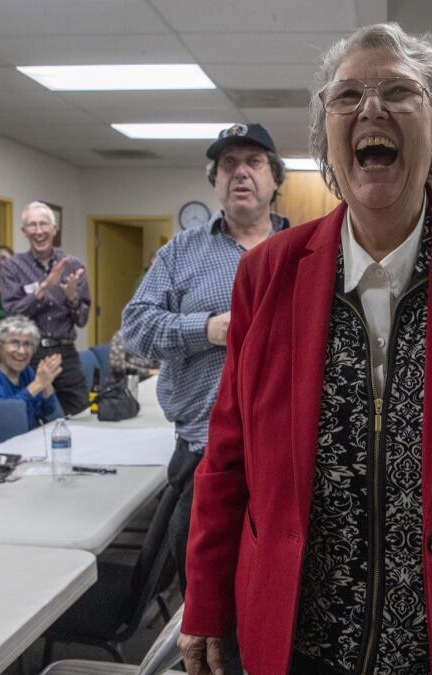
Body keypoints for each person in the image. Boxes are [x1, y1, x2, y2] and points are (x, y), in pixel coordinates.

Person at [179, 24, 432, 675]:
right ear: (327, 141)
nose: (370, 109)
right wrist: (203, 599)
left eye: (399, 91)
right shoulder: (271, 271)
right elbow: (227, 459)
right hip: (298, 641)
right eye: (347, 97)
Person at [123, 122, 289, 591]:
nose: (241, 174)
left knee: (278, 591)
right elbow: (134, 328)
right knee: (201, 592)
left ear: (275, 178)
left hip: (287, 456)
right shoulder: (181, 252)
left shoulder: (306, 251)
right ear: (214, 181)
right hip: (203, 452)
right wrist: (206, 329)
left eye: (254, 163)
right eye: (228, 165)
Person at [0, 202, 91, 415]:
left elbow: (83, 319)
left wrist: (72, 298)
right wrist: (43, 288)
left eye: (43, 224)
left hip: (65, 352)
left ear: (54, 229)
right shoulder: (12, 266)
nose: (39, 231)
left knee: (80, 413)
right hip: (28, 353)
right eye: (32, 225)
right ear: (24, 231)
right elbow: (12, 314)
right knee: (32, 415)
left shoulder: (73, 265)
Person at [0, 316, 61, 429]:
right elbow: (5, 416)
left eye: (27, 344)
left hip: (28, 439)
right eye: (15, 343)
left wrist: (46, 383)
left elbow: (47, 410)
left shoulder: (27, 372)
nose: (22, 351)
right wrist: (38, 384)